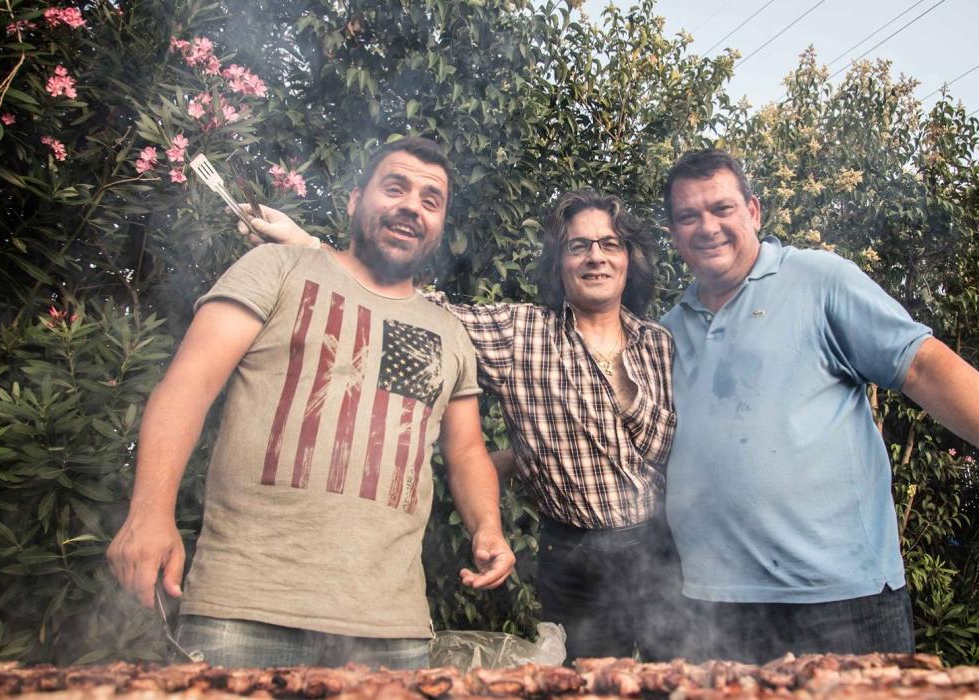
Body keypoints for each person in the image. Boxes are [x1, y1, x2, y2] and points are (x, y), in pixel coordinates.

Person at [658, 149, 979, 663]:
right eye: (688, 216)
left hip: (841, 601)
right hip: (716, 608)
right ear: (673, 234)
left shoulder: (818, 280)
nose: (707, 227)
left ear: (753, 211)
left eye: (722, 208)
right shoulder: (666, 332)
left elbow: (923, 367)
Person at [106, 137, 515, 669]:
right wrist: (149, 513)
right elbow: (188, 386)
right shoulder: (277, 268)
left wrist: (488, 528)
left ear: (439, 226)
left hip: (390, 632)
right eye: (395, 188)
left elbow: (466, 453)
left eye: (430, 200)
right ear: (354, 200)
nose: (412, 206)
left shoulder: (448, 331)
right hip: (242, 614)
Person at [245, 189, 686, 661]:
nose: (595, 257)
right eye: (578, 246)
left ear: (629, 258)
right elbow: (420, 308)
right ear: (559, 264)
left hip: (656, 545)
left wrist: (619, 381)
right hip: (572, 554)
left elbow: (667, 450)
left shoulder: (658, 343)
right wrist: (309, 246)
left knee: (681, 679)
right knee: (594, 683)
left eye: (609, 244)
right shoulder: (521, 332)